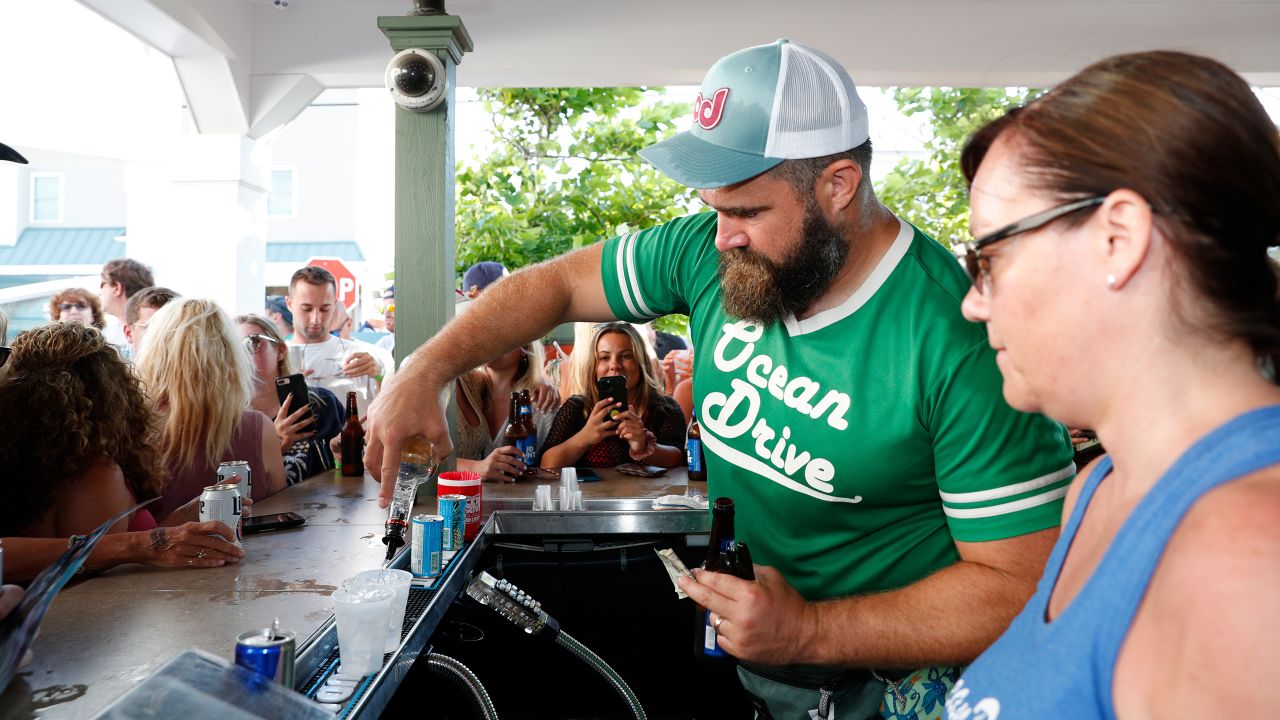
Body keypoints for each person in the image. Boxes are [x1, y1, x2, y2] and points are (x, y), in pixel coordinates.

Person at [367, 39, 1073, 716]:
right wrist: (424, 368)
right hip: (759, 669)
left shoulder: (957, 335)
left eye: (747, 211)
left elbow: (1024, 585)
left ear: (837, 185)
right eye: (715, 209)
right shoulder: (714, 251)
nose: (722, 235)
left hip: (893, 685)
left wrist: (814, 632)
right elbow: (552, 286)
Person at [942, 51, 1280, 719]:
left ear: (1118, 240)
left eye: (990, 257)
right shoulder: (1095, 493)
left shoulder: (1246, 557)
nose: (972, 303)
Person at [0, 322, 243, 582]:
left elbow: (112, 555)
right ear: (110, 390)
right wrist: (146, 543)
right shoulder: (91, 473)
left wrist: (167, 529)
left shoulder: (36, 462)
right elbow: (102, 580)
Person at [135, 298, 287, 520]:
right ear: (230, 356)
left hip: (157, 554)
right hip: (249, 553)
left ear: (156, 353)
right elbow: (279, 515)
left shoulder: (135, 428)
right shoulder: (259, 428)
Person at [540, 322, 685, 469]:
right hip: (594, 492)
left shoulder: (665, 408)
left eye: (626, 356)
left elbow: (679, 460)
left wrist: (644, 446)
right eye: (604, 357)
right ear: (594, 367)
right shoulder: (577, 407)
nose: (615, 365)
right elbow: (547, 464)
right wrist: (584, 437)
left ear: (641, 363)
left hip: (652, 492)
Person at [236, 313, 345, 486]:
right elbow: (238, 490)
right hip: (268, 513)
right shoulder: (232, 421)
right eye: (235, 347)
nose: (244, 355)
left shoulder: (323, 404)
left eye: (253, 343)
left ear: (280, 351)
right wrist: (275, 441)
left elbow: (349, 475)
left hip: (324, 510)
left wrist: (341, 457)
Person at [285, 266, 392, 416]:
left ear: (334, 305)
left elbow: (394, 411)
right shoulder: (276, 358)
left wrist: (380, 374)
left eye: (325, 309)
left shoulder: (367, 356)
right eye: (307, 308)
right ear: (289, 304)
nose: (316, 318)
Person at [99, 258, 155, 351]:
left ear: (117, 288)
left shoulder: (105, 339)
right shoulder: (161, 328)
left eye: (102, 285)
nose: (100, 292)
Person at [122, 286, 179, 359]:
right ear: (128, 333)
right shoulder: (112, 367)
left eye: (173, 328)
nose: (163, 337)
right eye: (152, 328)